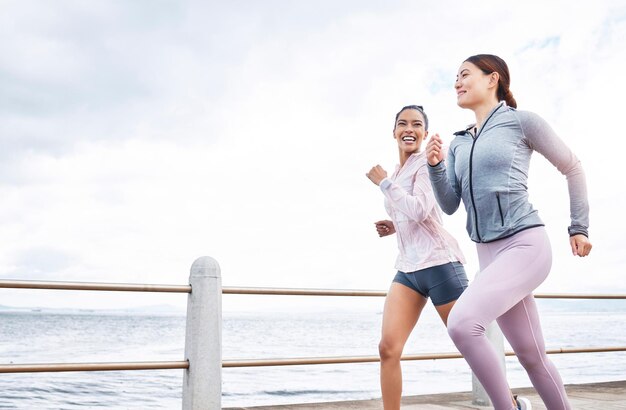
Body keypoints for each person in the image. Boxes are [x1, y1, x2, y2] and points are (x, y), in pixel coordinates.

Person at [426, 54, 592, 410]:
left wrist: (578, 227)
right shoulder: (458, 143)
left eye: (465, 74)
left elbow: (572, 167)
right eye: (455, 76)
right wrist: (435, 166)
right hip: (488, 255)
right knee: (532, 357)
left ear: (492, 79)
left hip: (524, 244)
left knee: (462, 324)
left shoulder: (521, 122)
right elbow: (450, 204)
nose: (457, 81)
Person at [365, 105, 469, 410]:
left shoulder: (426, 163)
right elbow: (413, 213)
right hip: (408, 269)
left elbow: (423, 208)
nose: (408, 129)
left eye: (416, 124)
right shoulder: (397, 171)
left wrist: (384, 183)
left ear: (424, 133)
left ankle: (511, 403)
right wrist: (395, 225)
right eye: (402, 124)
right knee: (388, 348)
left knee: (471, 345)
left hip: (440, 265)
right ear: (394, 132)